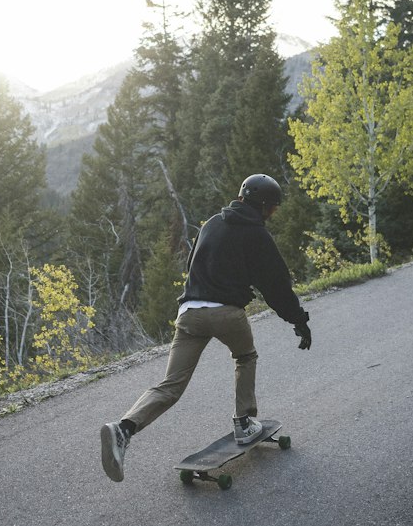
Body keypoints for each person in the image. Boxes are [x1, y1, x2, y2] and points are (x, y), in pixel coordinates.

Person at [100, 173, 311, 483]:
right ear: (265, 207)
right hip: (226, 313)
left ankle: (124, 428)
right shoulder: (258, 235)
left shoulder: (211, 223)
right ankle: (244, 422)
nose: (273, 214)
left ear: (241, 198)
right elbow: (276, 286)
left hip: (189, 312)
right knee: (245, 356)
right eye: (274, 209)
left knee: (171, 384)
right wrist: (299, 320)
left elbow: (192, 266)